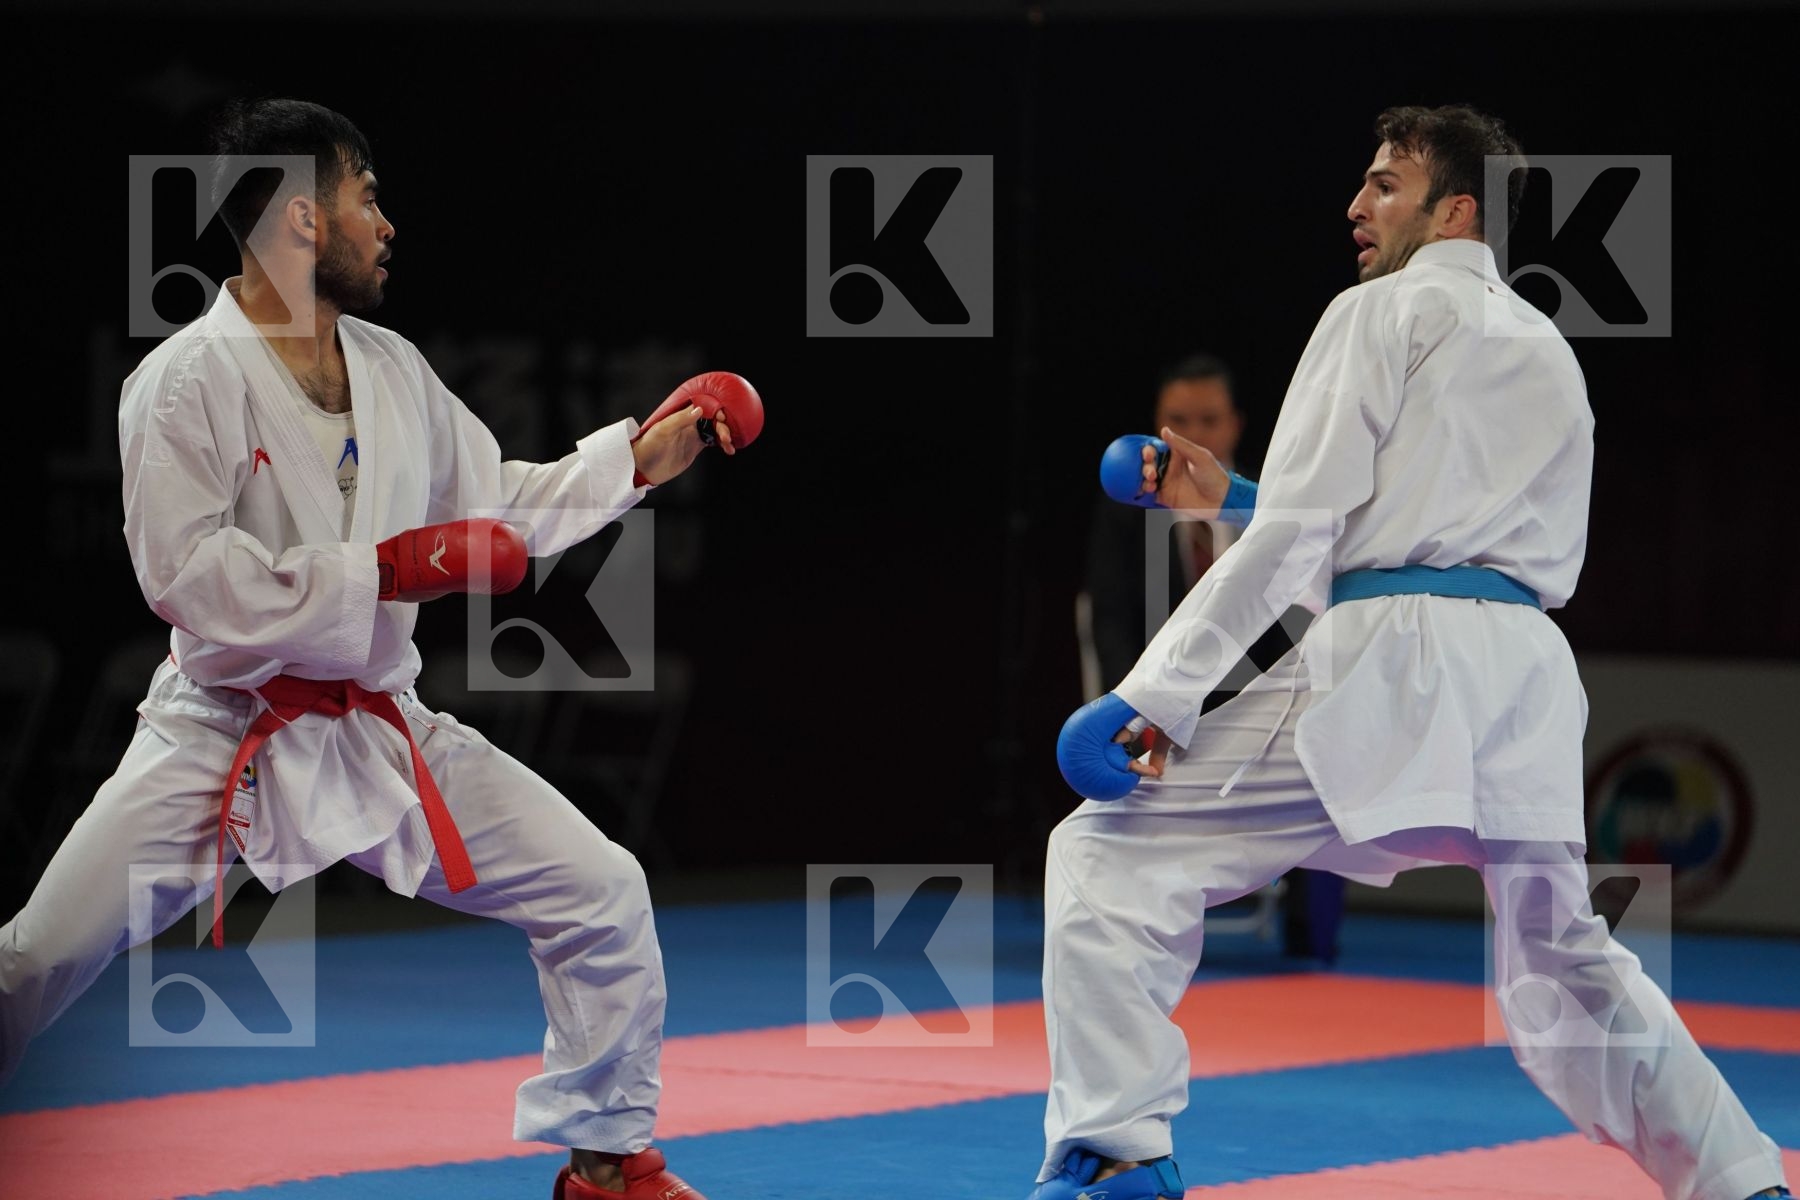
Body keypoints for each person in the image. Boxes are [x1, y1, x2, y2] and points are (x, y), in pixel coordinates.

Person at [1035, 104, 1790, 1200]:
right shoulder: (1548, 350)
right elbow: (1439, 525)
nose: (1356, 205)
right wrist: (1238, 495)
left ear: (1455, 209)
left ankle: (1115, 1154)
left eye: (1385, 183)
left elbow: (1310, 535)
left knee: (1108, 855)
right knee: (1566, 965)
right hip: (1525, 678)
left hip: (1397, 668)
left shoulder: (1377, 311)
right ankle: (1739, 1180)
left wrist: (1154, 694)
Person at [0, 99, 745, 1200]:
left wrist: (638, 458)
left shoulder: (394, 369)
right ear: (302, 217)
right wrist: (386, 572)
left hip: (379, 726)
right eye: (368, 196)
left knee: (603, 888)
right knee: (37, 956)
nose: (386, 223)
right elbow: (187, 577)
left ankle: (604, 1167)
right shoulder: (183, 381)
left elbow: (500, 506)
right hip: (220, 734)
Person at [1084, 356, 1346, 963]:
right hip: (1154, 700)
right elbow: (1112, 621)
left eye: (1209, 419)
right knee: (1116, 775)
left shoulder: (1274, 504)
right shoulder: (1126, 515)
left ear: (1235, 426)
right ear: (1157, 425)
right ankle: (1129, 938)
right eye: (1178, 419)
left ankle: (1314, 945)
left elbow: (1305, 623)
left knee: (1326, 744)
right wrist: (1141, 708)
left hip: (1266, 698)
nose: (1195, 433)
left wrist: (1264, 703)